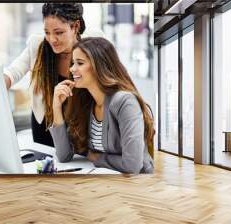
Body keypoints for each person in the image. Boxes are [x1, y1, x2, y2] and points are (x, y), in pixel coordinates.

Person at [49, 37, 154, 174]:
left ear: (99, 66)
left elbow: (132, 166)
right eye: (73, 63)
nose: (72, 68)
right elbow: (64, 156)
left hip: (137, 185)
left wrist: (98, 158)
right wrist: (56, 107)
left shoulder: (125, 102)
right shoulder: (86, 103)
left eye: (79, 63)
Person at [4, 3, 101, 147]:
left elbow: (112, 79)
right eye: (47, 32)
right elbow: (12, 72)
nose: (52, 39)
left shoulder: (94, 44)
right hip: (45, 125)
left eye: (59, 32)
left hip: (81, 126)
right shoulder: (37, 46)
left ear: (75, 26)